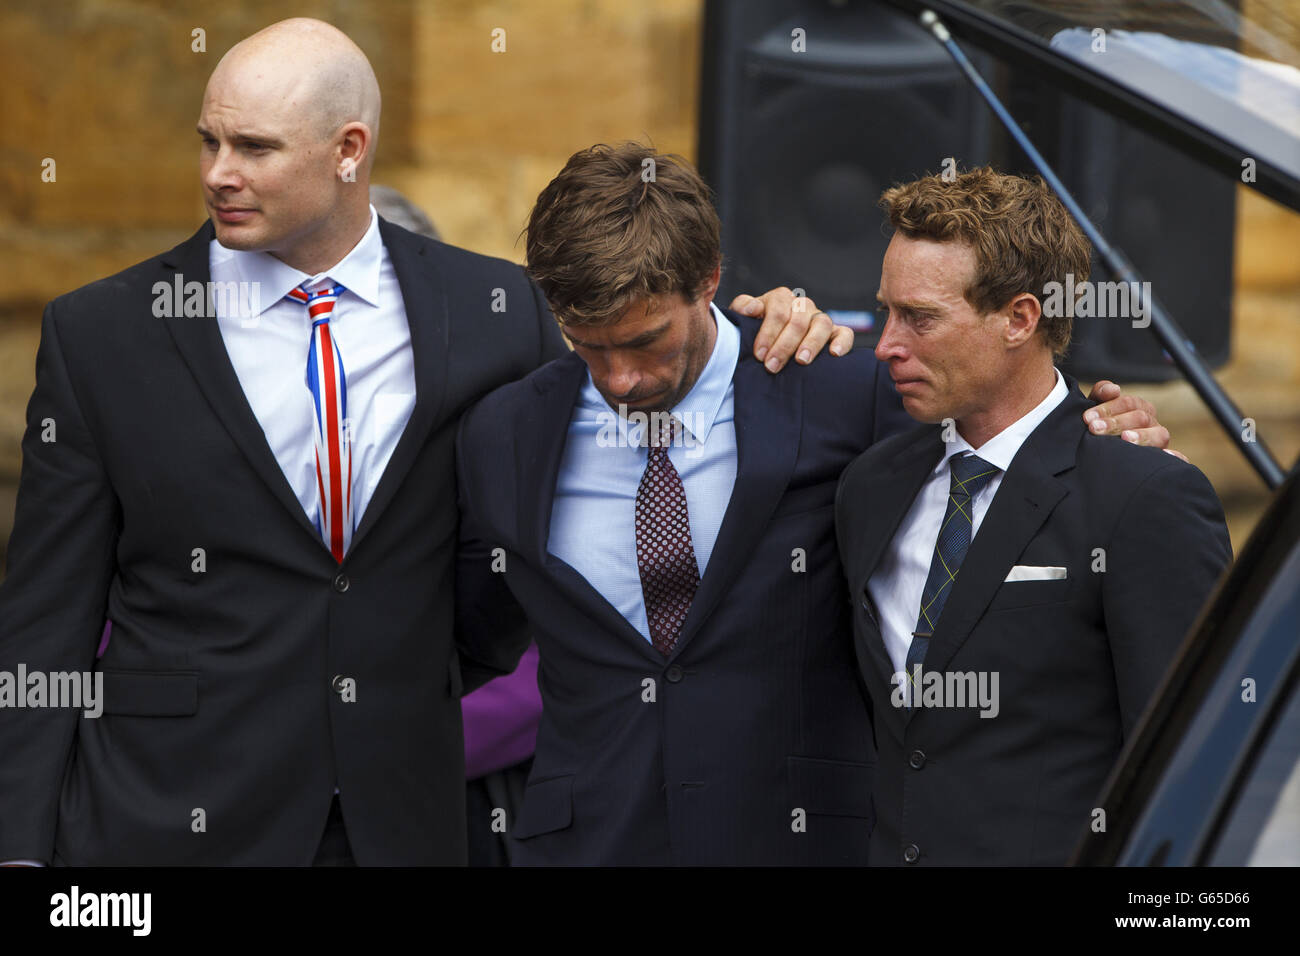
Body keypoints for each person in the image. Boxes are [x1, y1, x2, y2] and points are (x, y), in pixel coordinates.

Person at [0, 19, 827, 867]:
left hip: (401, 817)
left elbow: (638, 425)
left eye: (253, 147)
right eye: (208, 141)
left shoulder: (496, 314)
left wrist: (785, 333)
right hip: (160, 818)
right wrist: (18, 849)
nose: (219, 174)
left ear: (349, 149)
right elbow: (44, 616)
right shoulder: (102, 332)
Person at [454, 143, 1173, 865]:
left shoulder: (840, 392)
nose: (620, 379)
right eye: (587, 345)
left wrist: (1102, 424)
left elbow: (1002, 421)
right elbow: (470, 639)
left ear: (708, 280)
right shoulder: (504, 434)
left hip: (805, 838)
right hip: (588, 844)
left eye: (645, 341)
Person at [835, 167, 1232, 866]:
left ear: (1019, 318)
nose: (888, 344)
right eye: (886, 312)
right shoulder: (872, 485)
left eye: (920, 318)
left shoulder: (1143, 496)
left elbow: (1199, 766)